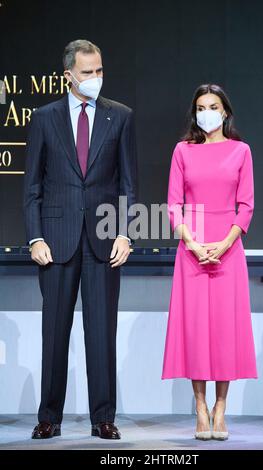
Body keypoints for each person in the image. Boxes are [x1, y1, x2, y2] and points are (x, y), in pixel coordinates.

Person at [23, 39, 138, 440]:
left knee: (102, 333)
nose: (95, 79)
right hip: (55, 242)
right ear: (68, 75)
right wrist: (34, 237)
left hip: (105, 241)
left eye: (100, 70)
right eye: (87, 72)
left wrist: (126, 231)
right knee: (54, 333)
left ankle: (103, 418)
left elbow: (128, 183)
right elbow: (33, 186)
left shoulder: (119, 117)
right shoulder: (44, 118)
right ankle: (48, 418)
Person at [161, 83, 257, 441]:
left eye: (213, 106)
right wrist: (193, 242)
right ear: (195, 113)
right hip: (192, 249)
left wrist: (226, 241)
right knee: (196, 330)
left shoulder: (241, 151)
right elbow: (173, 205)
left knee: (224, 331)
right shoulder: (182, 151)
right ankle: (199, 408)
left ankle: (221, 408)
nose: (207, 112)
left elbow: (245, 205)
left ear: (225, 112)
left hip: (229, 249)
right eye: (201, 107)